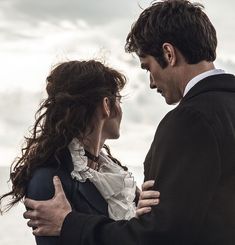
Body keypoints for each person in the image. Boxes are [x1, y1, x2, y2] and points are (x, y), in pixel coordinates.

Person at [23, 0, 235, 244]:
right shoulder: (52, 178)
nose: (151, 83)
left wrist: (70, 224)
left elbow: (162, 236)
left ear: (169, 53)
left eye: (147, 67)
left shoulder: (190, 120)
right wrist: (154, 211)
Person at [0, 60, 160, 245]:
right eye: (119, 100)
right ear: (107, 105)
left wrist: (141, 217)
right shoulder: (50, 179)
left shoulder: (113, 173)